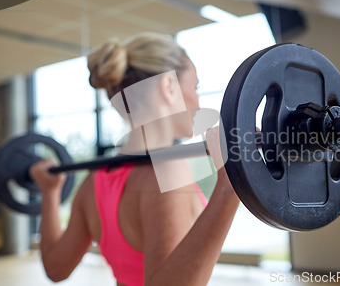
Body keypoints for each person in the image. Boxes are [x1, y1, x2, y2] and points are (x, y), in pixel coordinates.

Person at [29, 32, 240, 286]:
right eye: (194, 87)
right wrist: (229, 188)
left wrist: (50, 193)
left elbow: (56, 267)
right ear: (169, 86)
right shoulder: (167, 172)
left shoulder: (94, 182)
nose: (197, 100)